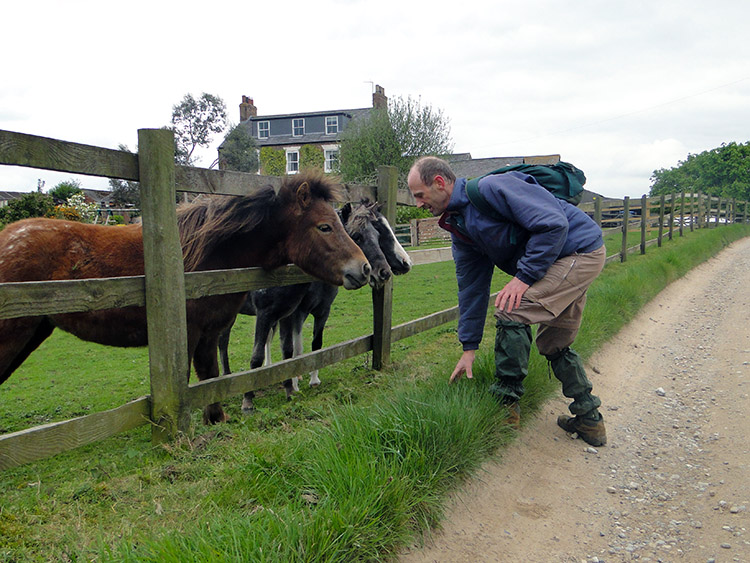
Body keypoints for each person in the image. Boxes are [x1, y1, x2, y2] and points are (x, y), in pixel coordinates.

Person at [407, 156, 607, 446]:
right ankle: (590, 420)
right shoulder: (460, 227)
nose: (418, 204)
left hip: (579, 252)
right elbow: (471, 289)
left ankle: (505, 408)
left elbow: (553, 225)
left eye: (419, 195)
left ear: (439, 183)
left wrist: (524, 277)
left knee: (511, 309)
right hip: (560, 260)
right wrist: (469, 347)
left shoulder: (492, 188)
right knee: (553, 343)